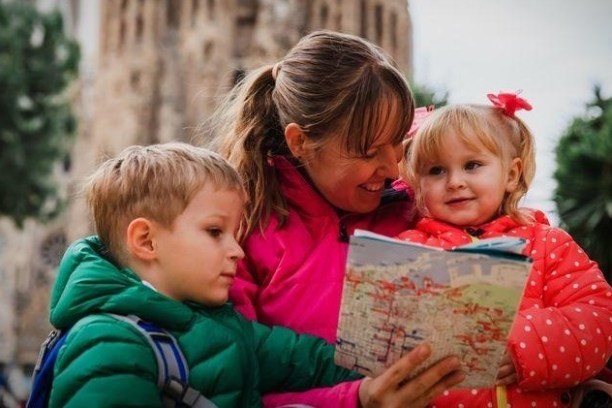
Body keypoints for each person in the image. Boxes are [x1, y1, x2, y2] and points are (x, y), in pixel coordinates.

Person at [44, 142, 459, 408]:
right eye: (214, 232)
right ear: (146, 241)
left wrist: (391, 375)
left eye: (236, 233)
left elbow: (310, 361)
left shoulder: (221, 324)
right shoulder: (107, 342)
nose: (236, 250)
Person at [208, 29, 465, 407]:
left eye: (398, 142)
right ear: (300, 142)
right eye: (367, 152)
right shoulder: (241, 233)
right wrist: (355, 401)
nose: (393, 167)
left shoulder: (422, 204)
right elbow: (229, 385)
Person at [397, 92, 612, 407]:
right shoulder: (409, 249)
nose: (454, 181)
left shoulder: (549, 244)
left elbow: (598, 319)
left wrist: (523, 345)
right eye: (436, 171)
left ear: (511, 174)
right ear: (418, 182)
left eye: (472, 165)